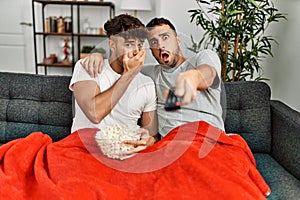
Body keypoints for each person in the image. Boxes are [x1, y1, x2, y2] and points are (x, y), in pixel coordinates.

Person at [81, 17, 224, 138]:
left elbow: (209, 74)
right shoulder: (149, 74)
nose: (161, 45)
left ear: (178, 40)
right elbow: (120, 66)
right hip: (172, 146)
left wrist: (193, 77)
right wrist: (98, 56)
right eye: (154, 42)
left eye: (165, 37)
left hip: (208, 139)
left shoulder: (203, 58)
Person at [69, 14, 158, 153]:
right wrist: (128, 74)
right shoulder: (88, 67)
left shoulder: (147, 83)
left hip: (126, 153)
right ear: (112, 45)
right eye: (129, 44)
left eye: (140, 44)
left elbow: (151, 134)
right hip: (86, 150)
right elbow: (95, 113)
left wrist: (149, 141)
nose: (136, 51)